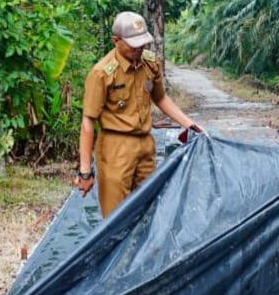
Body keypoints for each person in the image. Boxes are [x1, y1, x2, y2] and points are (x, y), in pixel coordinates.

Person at [74, 11, 204, 217]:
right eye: (133, 44)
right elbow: (88, 122)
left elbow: (161, 99)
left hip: (145, 145)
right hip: (116, 148)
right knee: (115, 217)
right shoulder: (102, 73)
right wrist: (85, 171)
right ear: (116, 41)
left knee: (149, 210)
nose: (139, 48)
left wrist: (190, 125)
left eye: (142, 43)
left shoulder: (150, 64)